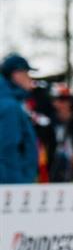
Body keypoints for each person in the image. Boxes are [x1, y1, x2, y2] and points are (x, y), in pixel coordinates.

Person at [0, 53, 39, 184]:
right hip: (12, 183)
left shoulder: (11, 102)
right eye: (27, 73)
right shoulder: (9, 106)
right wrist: (17, 185)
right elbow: (8, 149)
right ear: (16, 74)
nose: (30, 78)